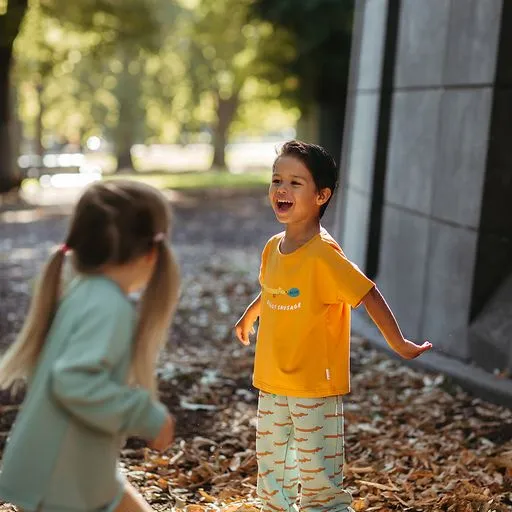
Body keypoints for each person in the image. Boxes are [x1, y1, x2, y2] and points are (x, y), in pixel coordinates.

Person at [234, 140, 432, 512]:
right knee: (272, 470)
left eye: (295, 183)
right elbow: (272, 288)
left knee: (318, 473)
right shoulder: (272, 247)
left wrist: (399, 342)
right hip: (273, 380)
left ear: (321, 195)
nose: (281, 189)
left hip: (314, 386)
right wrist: (251, 314)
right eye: (277, 180)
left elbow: (367, 293)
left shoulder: (325, 255)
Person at [0, 180, 180, 512]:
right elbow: (73, 380)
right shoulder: (107, 305)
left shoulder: (84, 290)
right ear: (152, 253)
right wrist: (145, 415)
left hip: (69, 467)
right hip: (60, 479)